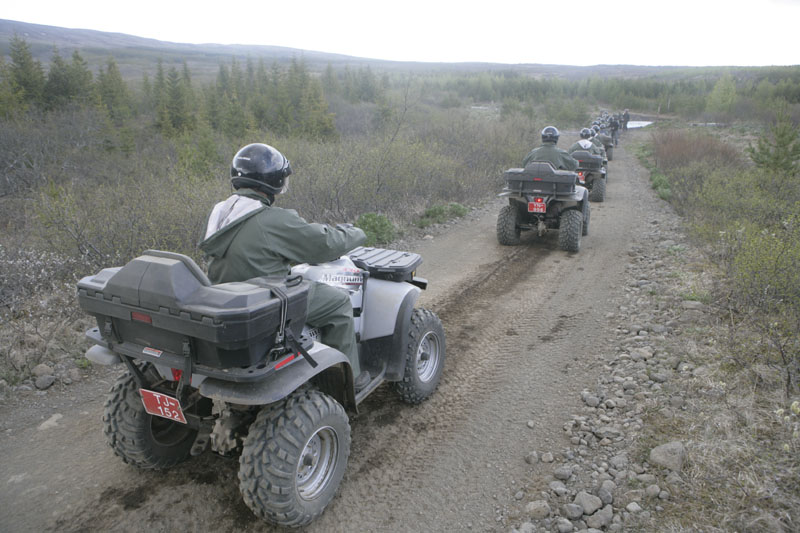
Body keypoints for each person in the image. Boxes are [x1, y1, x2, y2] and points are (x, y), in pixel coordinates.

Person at [199, 143, 371, 390]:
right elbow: (325, 245)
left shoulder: (219, 213)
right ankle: (347, 380)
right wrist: (355, 232)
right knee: (339, 303)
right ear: (274, 181)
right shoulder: (271, 220)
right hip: (267, 298)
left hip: (225, 297)